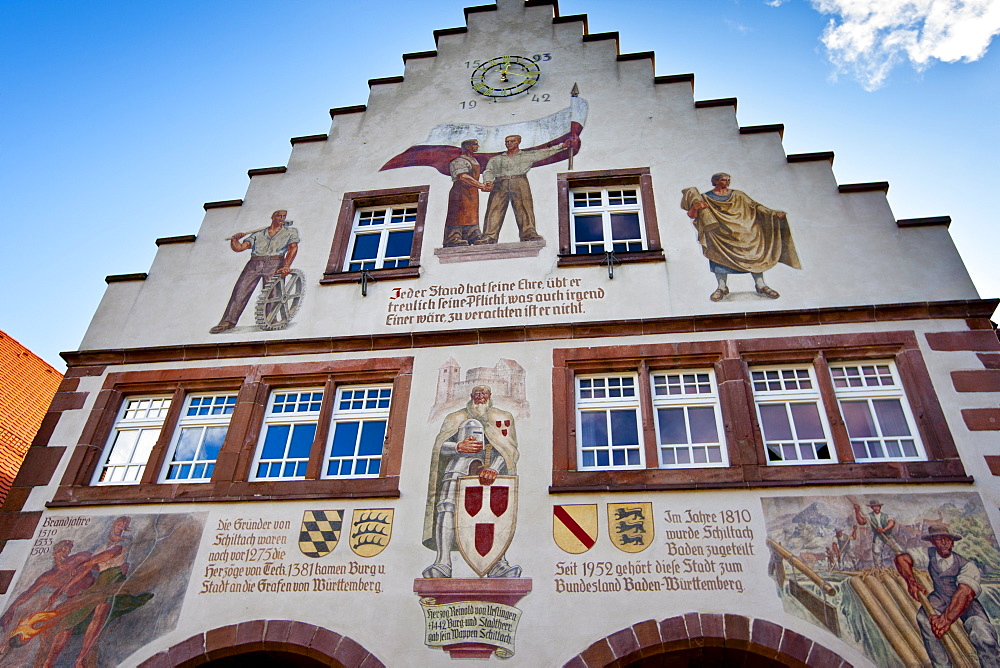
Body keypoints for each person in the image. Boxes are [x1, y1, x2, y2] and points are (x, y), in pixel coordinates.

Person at [421, 385, 520, 578]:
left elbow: (509, 451)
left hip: (493, 469)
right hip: (457, 468)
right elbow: (439, 447)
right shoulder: (455, 418)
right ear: (471, 395)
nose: (481, 397)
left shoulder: (503, 417)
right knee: (446, 507)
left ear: (490, 396)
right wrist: (458, 446)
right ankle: (442, 563)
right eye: (477, 394)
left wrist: (494, 468)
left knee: (493, 513)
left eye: (484, 394)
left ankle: (498, 564)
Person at [681, 173, 800, 302]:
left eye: (728, 180)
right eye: (723, 180)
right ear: (715, 181)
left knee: (754, 256)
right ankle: (721, 287)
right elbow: (692, 215)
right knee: (718, 257)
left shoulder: (739, 195)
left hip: (744, 233)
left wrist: (772, 213)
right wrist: (695, 207)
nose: (727, 182)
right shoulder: (705, 197)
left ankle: (761, 285)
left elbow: (755, 206)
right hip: (718, 234)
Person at [894, 524, 1000, 667]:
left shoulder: (968, 566)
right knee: (924, 619)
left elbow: (965, 593)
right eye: (939, 539)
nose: (944, 542)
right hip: (939, 598)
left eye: (947, 539)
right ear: (932, 542)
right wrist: (911, 581)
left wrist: (945, 620)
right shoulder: (928, 554)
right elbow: (902, 559)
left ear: (952, 542)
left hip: (966, 604)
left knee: (983, 634)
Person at [210, 209, 299, 333]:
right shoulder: (258, 234)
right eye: (279, 216)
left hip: (275, 262)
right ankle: (227, 322)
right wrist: (235, 240)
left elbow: (293, 248)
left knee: (273, 293)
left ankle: (271, 319)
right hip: (254, 263)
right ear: (273, 217)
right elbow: (240, 248)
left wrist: (286, 265)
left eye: (284, 216)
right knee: (240, 290)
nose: (282, 218)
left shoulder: (290, 232)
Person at [480, 135, 574, 244]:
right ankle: (489, 236)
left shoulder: (526, 156)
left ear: (518, 142)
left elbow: (544, 152)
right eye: (507, 142)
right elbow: (489, 170)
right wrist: (488, 181)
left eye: (512, 141)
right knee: (494, 209)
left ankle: (528, 233)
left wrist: (562, 146)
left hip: (519, 181)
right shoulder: (497, 159)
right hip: (500, 182)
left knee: (524, 207)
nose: (509, 143)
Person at [443, 139, 490, 247]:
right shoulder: (459, 161)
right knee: (458, 214)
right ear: (468, 147)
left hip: (472, 191)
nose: (477, 146)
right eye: (475, 145)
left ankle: (472, 235)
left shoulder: (473, 160)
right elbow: (462, 176)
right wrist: (481, 185)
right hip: (460, 191)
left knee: (471, 214)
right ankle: (453, 237)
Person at [854, 499, 896, 567]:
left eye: (877, 506)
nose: (876, 507)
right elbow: (861, 522)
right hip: (878, 537)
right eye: (874, 506)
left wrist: (884, 529)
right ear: (872, 508)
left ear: (880, 507)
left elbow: (891, 523)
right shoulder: (869, 516)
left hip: (888, 535)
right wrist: (857, 511)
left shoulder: (887, 516)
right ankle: (879, 569)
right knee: (876, 551)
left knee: (898, 549)